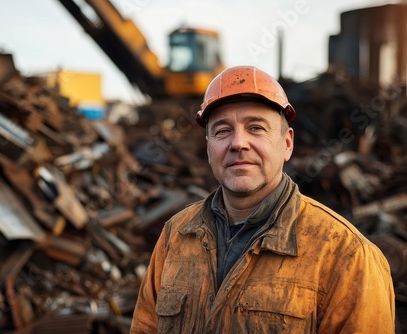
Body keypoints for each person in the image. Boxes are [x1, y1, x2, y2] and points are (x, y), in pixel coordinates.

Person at [129, 65, 395, 333]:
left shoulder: (347, 255)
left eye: (256, 128)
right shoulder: (175, 235)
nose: (238, 143)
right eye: (222, 131)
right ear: (209, 148)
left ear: (287, 144)